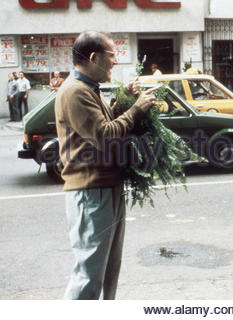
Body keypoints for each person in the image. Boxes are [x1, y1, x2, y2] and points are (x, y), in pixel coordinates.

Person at [55, 30, 157, 300]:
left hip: (105, 186)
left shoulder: (88, 88)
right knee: (88, 275)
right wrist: (136, 109)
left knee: (108, 270)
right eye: (112, 56)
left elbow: (101, 122)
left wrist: (123, 96)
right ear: (93, 57)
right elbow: (104, 135)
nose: (115, 61)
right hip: (91, 190)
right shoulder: (75, 92)